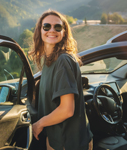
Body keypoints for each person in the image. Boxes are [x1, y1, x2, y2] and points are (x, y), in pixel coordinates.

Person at [28, 10, 93, 150]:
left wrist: (38, 124)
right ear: (40, 30)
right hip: (57, 139)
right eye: (47, 26)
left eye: (57, 27)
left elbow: (67, 110)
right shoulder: (49, 61)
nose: (52, 30)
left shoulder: (62, 61)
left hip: (68, 143)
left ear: (64, 32)